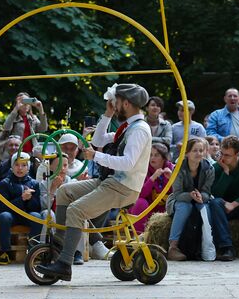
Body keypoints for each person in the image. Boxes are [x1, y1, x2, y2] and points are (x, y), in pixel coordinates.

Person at [39, 84, 153, 282]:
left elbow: (127, 163)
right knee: (64, 191)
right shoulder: (128, 127)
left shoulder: (139, 130)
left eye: (116, 103)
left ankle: (65, 263)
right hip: (110, 181)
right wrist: (107, 114)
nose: (114, 105)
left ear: (126, 103)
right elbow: (99, 139)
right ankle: (60, 242)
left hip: (123, 188)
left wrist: (96, 156)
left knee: (76, 210)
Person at [165, 137, 217, 261]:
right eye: (194, 151)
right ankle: (173, 247)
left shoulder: (209, 168)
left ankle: (207, 246)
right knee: (185, 206)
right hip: (180, 199)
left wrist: (201, 197)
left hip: (201, 198)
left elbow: (207, 191)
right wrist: (190, 196)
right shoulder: (178, 168)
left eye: (201, 150)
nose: (198, 153)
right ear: (187, 153)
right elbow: (177, 194)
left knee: (205, 208)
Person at [0, 152, 41, 263]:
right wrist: (22, 199)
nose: (20, 168)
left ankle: (33, 251)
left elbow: (36, 207)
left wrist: (30, 199)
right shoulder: (5, 183)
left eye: (24, 165)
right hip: (12, 216)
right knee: (4, 216)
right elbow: (3, 207)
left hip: (27, 215)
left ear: (28, 168)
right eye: (17, 165)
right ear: (12, 167)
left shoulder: (34, 183)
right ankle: (5, 252)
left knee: (37, 216)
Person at [127, 141, 174, 233]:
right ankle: (139, 236)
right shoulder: (143, 169)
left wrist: (171, 179)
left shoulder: (172, 169)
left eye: (156, 155)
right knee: (140, 202)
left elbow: (177, 192)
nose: (152, 158)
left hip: (164, 209)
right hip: (147, 207)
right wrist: (152, 178)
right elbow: (140, 194)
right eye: (151, 155)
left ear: (164, 158)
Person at [0, 92, 47, 165]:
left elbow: (43, 129)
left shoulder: (32, 118)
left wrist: (41, 109)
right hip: (15, 152)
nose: (25, 105)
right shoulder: (13, 117)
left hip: (30, 153)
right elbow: (6, 127)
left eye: (28, 101)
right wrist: (16, 108)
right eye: (23, 101)